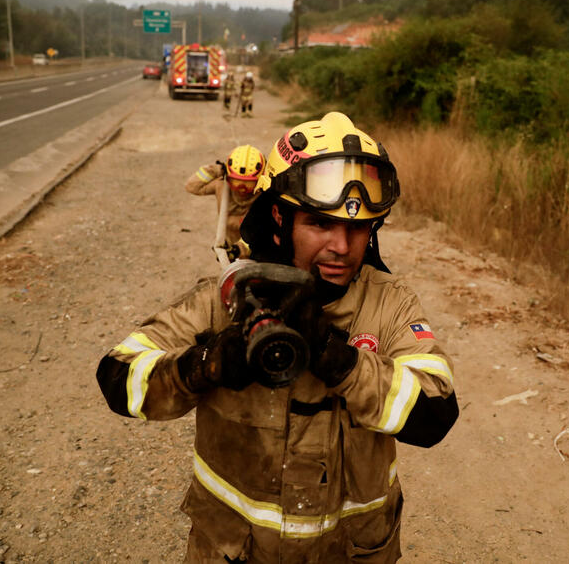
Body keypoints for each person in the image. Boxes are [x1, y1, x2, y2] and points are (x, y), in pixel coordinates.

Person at [97, 112, 458, 562]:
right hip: (233, 552)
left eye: (358, 227)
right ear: (278, 217)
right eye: (320, 224)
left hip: (350, 553)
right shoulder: (222, 301)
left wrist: (338, 359)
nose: (342, 248)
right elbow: (118, 376)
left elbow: (435, 414)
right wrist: (204, 364)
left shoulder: (390, 305)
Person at [184, 144, 265, 260]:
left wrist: (238, 250)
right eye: (236, 182)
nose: (242, 188)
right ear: (228, 176)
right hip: (230, 249)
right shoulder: (222, 186)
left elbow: (260, 231)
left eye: (248, 183)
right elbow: (191, 187)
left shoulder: (264, 194)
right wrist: (216, 170)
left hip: (255, 249)